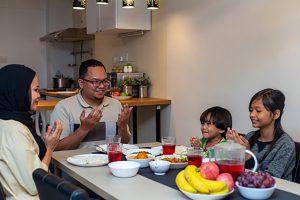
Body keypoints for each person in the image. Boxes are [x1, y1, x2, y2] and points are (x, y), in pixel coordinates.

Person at [0, 64, 62, 200]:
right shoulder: (14, 130)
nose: (39, 95)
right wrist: (50, 148)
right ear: (18, 91)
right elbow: (36, 183)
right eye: (35, 89)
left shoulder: (7, 121)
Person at [50, 59, 132, 150]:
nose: (101, 86)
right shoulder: (63, 107)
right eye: (95, 82)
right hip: (76, 163)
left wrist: (123, 126)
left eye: (105, 81)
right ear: (81, 83)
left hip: (109, 162)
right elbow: (56, 148)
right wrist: (83, 129)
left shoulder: (115, 105)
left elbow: (125, 142)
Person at [226, 88, 296, 181]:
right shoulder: (250, 136)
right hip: (246, 188)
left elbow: (269, 180)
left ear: (276, 114)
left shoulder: (286, 144)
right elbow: (235, 170)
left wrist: (247, 156)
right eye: (251, 110)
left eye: (258, 111)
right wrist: (231, 147)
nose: (252, 114)